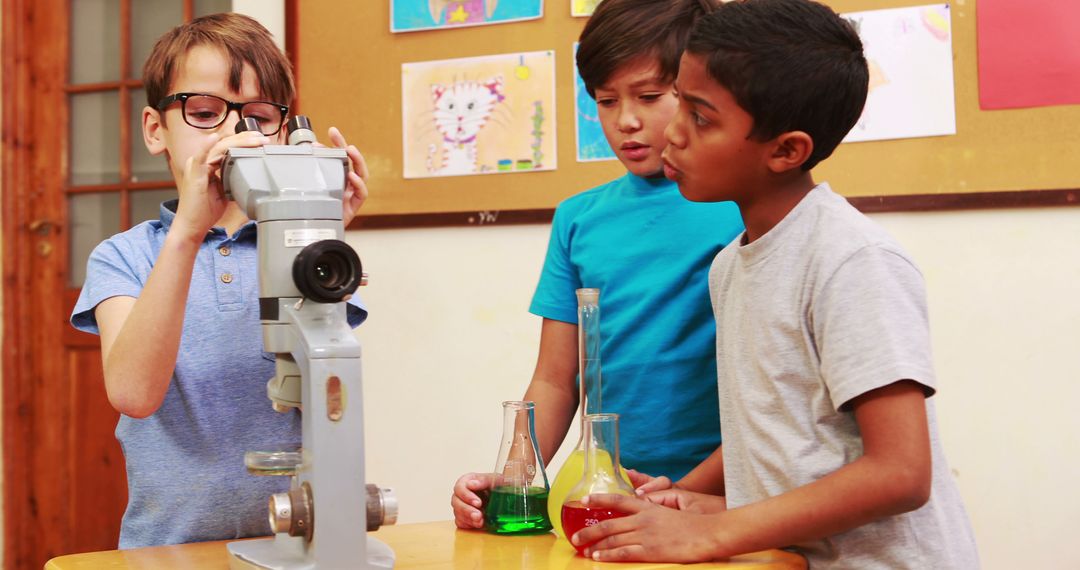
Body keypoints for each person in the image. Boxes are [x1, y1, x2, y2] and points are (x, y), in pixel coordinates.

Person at [571, 1, 980, 567]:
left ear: (786, 150)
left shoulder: (851, 259)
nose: (675, 134)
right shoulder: (731, 266)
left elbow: (901, 473)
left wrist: (717, 532)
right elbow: (767, 431)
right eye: (681, 106)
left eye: (702, 117)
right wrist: (686, 496)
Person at [69, 13, 370, 548]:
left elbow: (326, 389)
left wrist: (320, 231)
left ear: (282, 131)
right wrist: (186, 231)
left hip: (295, 543)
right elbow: (134, 393)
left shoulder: (305, 248)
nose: (234, 131)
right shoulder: (124, 257)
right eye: (205, 113)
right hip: (168, 547)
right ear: (155, 130)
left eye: (258, 117)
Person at [452, 0, 744, 529]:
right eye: (606, 101)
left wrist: (681, 494)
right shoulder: (579, 219)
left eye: (651, 97)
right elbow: (557, 380)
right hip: (604, 501)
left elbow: (766, 402)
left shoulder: (739, 208)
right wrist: (518, 478)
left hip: (721, 502)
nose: (626, 121)